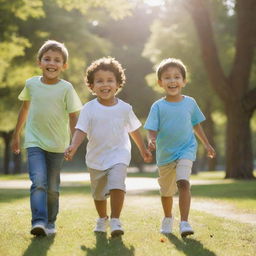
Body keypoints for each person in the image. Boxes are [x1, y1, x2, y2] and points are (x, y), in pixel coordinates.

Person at [65, 57, 152, 237]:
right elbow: (80, 130)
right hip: (96, 157)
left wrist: (143, 149)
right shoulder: (89, 108)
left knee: (117, 184)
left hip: (119, 154)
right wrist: (73, 146)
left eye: (110, 80)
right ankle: (102, 218)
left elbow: (134, 130)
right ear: (91, 86)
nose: (105, 85)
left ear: (118, 84)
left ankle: (115, 220)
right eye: (100, 81)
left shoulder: (125, 108)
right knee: (98, 194)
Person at [11, 40, 82, 236]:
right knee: (38, 181)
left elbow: (73, 116)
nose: (52, 63)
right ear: (39, 62)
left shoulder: (66, 88)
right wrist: (16, 134)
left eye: (57, 60)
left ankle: (50, 222)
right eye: (47, 59)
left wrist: (73, 144)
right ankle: (39, 221)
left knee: (52, 188)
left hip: (58, 145)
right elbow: (24, 108)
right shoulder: (31, 84)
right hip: (34, 141)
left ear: (64, 65)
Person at [144, 58, 216, 237]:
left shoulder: (190, 103)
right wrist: (151, 140)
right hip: (165, 154)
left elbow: (196, 125)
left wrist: (206, 144)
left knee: (183, 183)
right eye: (167, 77)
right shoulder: (158, 106)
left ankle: (184, 222)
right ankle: (168, 217)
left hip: (186, 149)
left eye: (177, 77)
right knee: (166, 191)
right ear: (160, 83)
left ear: (184, 81)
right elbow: (151, 129)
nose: (172, 81)